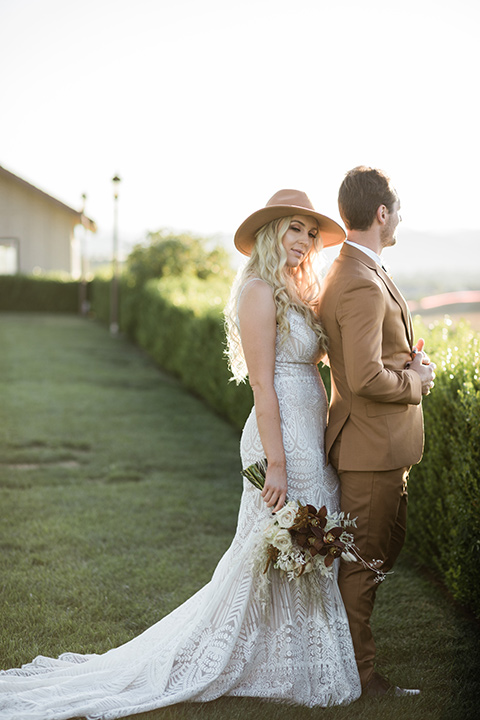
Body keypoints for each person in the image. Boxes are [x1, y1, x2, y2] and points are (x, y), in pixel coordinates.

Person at [0, 190, 361, 719]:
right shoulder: (259, 291)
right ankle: (257, 658)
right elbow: (263, 386)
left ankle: (291, 658)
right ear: (270, 234)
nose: (305, 241)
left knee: (299, 545)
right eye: (294, 229)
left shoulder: (294, 289)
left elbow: (323, 354)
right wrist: (278, 464)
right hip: (279, 434)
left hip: (309, 429)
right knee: (277, 546)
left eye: (311, 232)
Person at [317, 166, 436, 698]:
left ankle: (351, 665)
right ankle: (360, 679)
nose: (400, 217)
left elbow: (371, 356)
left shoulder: (360, 270)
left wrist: (408, 360)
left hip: (382, 446)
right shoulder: (360, 282)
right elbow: (365, 377)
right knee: (362, 567)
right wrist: (415, 381)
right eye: (398, 209)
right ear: (381, 213)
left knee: (378, 554)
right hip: (370, 448)